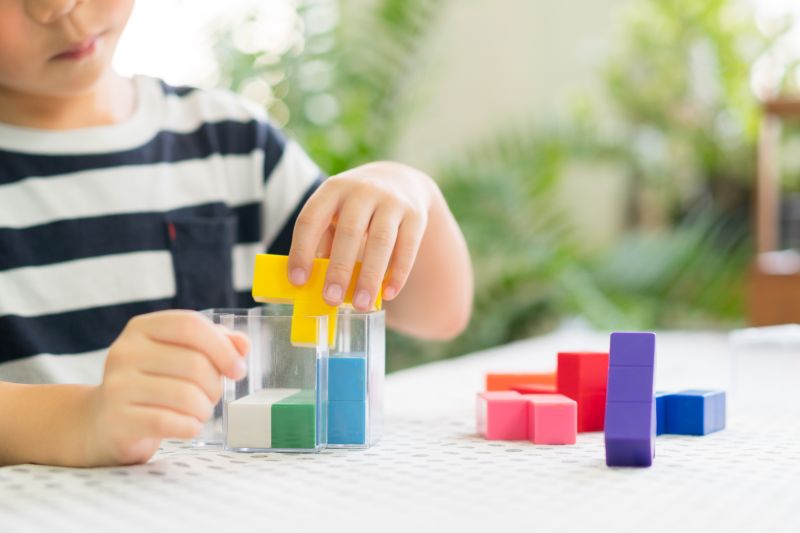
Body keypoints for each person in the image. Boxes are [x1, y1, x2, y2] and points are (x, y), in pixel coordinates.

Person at [0, 0, 473, 466]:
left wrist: (412, 190)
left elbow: (437, 313)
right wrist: (84, 418)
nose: (58, 6)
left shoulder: (233, 142)